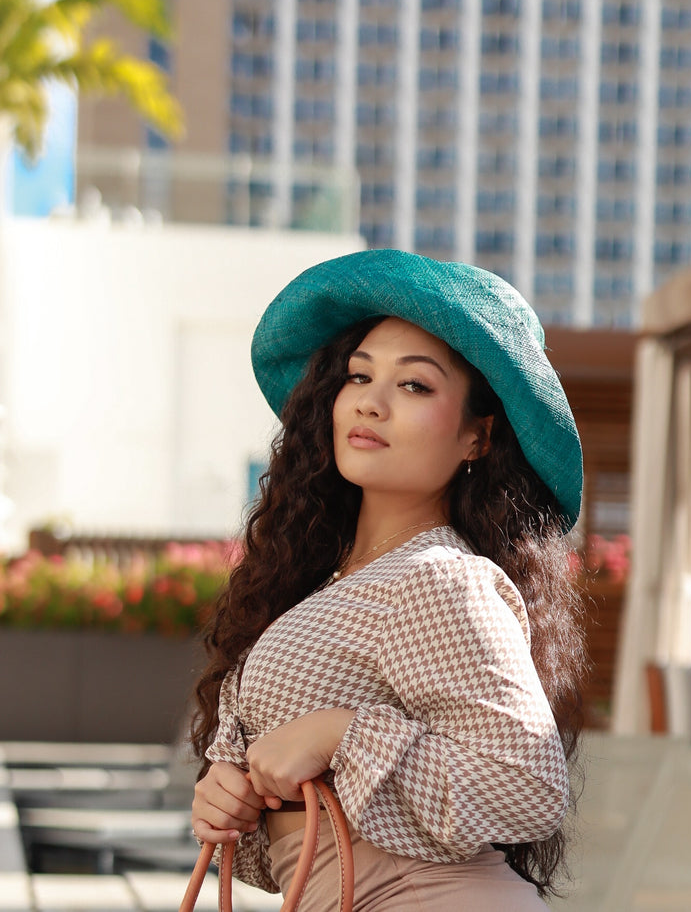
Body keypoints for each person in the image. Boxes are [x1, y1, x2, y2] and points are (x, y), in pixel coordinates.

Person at [189, 248, 587, 910]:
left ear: (477, 438)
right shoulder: (332, 578)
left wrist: (341, 732)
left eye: (414, 386)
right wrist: (230, 796)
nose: (371, 403)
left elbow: (528, 787)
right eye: (357, 376)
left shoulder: (441, 578)